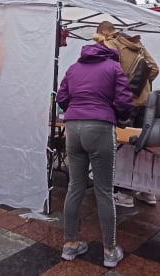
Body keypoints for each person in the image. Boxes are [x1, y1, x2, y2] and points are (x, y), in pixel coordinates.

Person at [55, 42, 134, 269]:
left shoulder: (74, 68)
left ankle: (70, 244)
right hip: (100, 126)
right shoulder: (113, 67)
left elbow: (61, 97)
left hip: (73, 127)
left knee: (75, 187)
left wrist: (75, 109)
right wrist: (120, 116)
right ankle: (109, 251)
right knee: (104, 190)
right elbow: (124, 100)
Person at [94, 21, 160, 207]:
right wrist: (140, 85)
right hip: (145, 103)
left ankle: (124, 193)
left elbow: (108, 73)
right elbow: (154, 68)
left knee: (122, 149)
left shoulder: (111, 44)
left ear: (103, 32)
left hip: (124, 104)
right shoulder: (137, 44)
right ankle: (147, 190)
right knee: (141, 147)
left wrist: (124, 89)